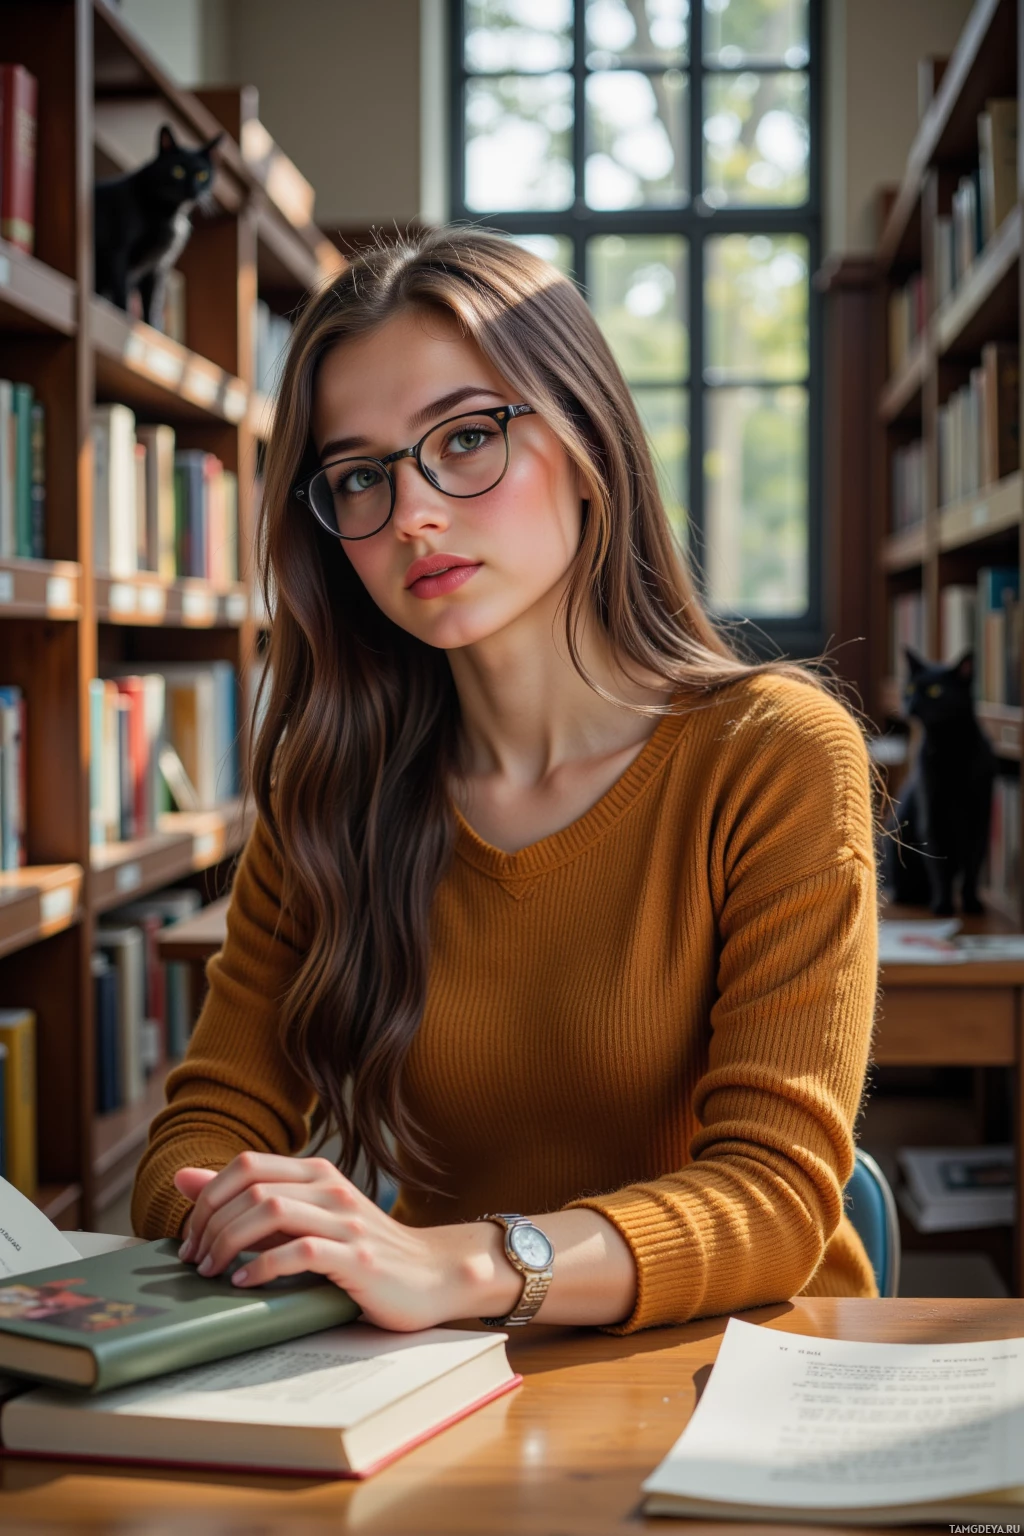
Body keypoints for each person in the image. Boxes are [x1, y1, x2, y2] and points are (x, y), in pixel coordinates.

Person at [132, 228, 878, 1334]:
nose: (415, 512)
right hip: (444, 1369)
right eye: (358, 476)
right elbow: (205, 1124)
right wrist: (237, 1212)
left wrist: (465, 1265)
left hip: (749, 1375)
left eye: (467, 437)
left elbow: (773, 1201)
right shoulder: (334, 786)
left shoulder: (773, 754)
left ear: (585, 437)